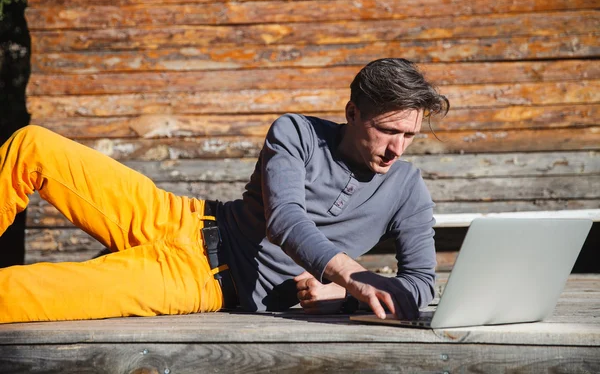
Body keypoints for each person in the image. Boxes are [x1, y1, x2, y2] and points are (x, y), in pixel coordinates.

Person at [0, 58, 449, 323]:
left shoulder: (407, 189)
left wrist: (342, 296)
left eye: (408, 136)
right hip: (180, 217)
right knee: (31, 146)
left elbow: (421, 285)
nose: (396, 149)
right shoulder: (296, 132)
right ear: (352, 113)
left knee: (16, 294)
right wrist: (350, 275)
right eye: (387, 131)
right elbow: (285, 221)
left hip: (203, 280)